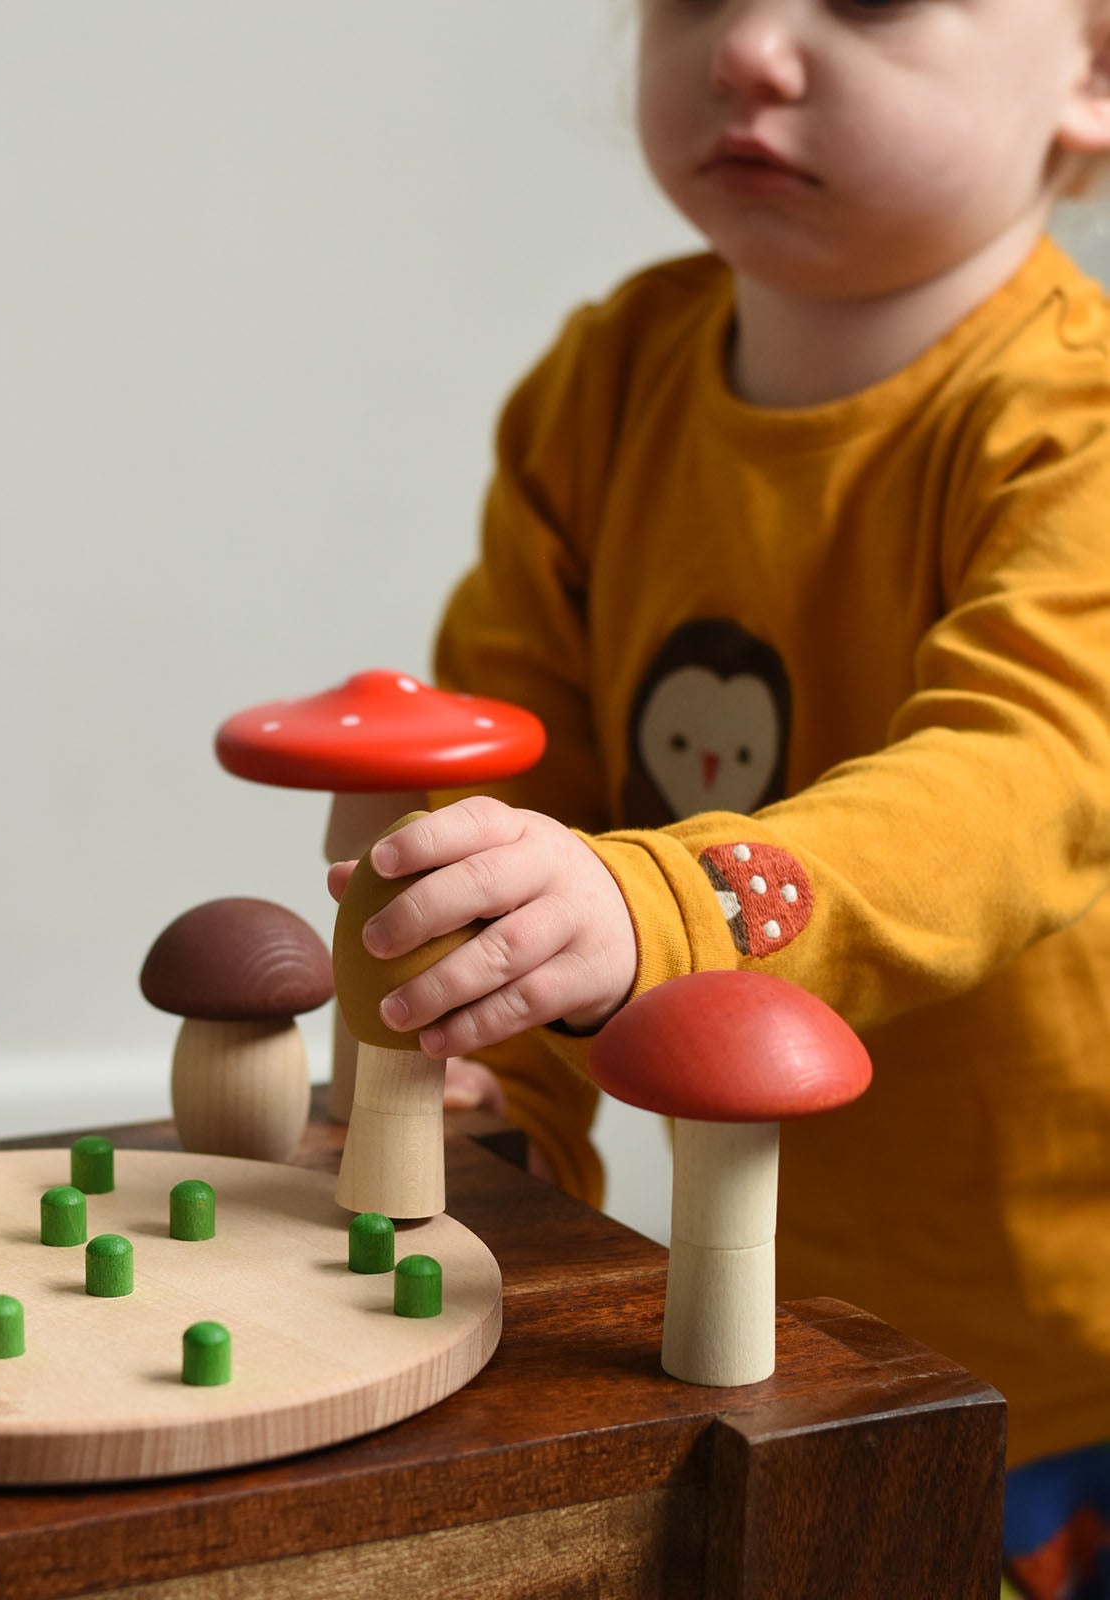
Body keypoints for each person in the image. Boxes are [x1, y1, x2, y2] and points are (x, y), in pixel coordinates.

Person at [327, 2, 1110, 1594]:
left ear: (1092, 73)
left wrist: (661, 905)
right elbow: (513, 762)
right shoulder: (605, 379)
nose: (745, 50)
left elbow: (1025, 775)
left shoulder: (1074, 425)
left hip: (1057, 1334)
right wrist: (490, 1096)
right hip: (730, 1297)